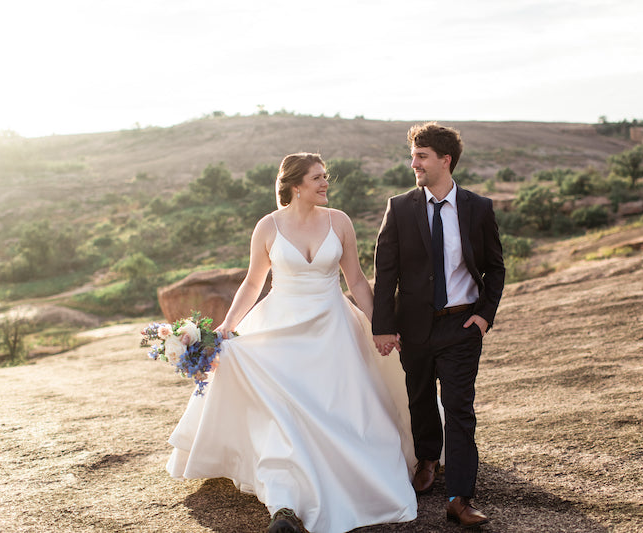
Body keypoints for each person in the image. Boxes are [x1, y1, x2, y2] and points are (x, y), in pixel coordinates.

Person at [165, 153, 417, 533]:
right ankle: (284, 501)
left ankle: (341, 481)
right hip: (281, 328)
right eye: (317, 178)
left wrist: (379, 324)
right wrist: (227, 327)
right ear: (295, 185)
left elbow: (358, 281)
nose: (324, 183)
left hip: (333, 328)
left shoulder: (340, 221)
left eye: (325, 177)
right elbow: (253, 283)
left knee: (345, 410)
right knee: (278, 409)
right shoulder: (268, 227)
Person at [372, 123, 505, 528]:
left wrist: (483, 316)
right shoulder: (400, 206)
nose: (414, 163)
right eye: (413, 156)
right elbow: (386, 269)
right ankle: (428, 457)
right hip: (414, 327)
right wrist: (383, 325)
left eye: (422, 156)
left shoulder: (478, 207)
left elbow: (495, 268)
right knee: (420, 399)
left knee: (460, 408)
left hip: (461, 325)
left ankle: (459, 497)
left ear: (445, 160)